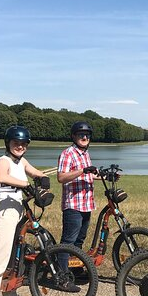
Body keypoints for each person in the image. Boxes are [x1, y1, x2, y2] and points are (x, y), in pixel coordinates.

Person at [0, 125, 48, 296]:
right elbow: (2, 177)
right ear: (8, 144)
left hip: (17, 212)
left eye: (23, 143)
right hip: (4, 214)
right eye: (16, 143)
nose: (20, 146)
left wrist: (42, 178)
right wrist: (26, 184)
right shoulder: (3, 161)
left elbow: (34, 171)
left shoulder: (21, 161)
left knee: (14, 260)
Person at [56, 121, 98, 282]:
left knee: (79, 240)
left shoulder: (85, 154)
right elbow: (61, 177)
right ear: (74, 136)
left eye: (87, 135)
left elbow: (89, 175)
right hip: (73, 205)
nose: (84, 137)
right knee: (68, 241)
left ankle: (74, 269)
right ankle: (62, 276)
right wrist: (82, 170)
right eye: (81, 135)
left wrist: (106, 176)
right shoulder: (68, 153)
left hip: (86, 204)